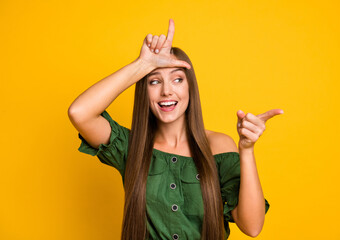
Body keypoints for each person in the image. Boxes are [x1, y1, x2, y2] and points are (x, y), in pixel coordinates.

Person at [68, 19, 283, 240]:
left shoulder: (218, 146)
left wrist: (246, 149)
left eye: (177, 79)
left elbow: (253, 227)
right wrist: (143, 65)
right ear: (145, 91)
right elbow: (80, 113)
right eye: (154, 82)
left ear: (190, 88)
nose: (166, 91)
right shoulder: (132, 147)